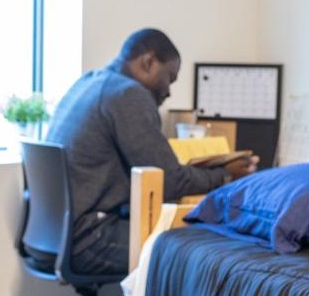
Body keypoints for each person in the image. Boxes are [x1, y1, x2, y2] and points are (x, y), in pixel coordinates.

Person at [45, 28, 258, 276]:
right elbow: (169, 181)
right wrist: (225, 174)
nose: (168, 91)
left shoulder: (88, 82)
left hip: (55, 235)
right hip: (90, 239)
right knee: (202, 248)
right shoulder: (127, 94)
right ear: (148, 62)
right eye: (169, 77)